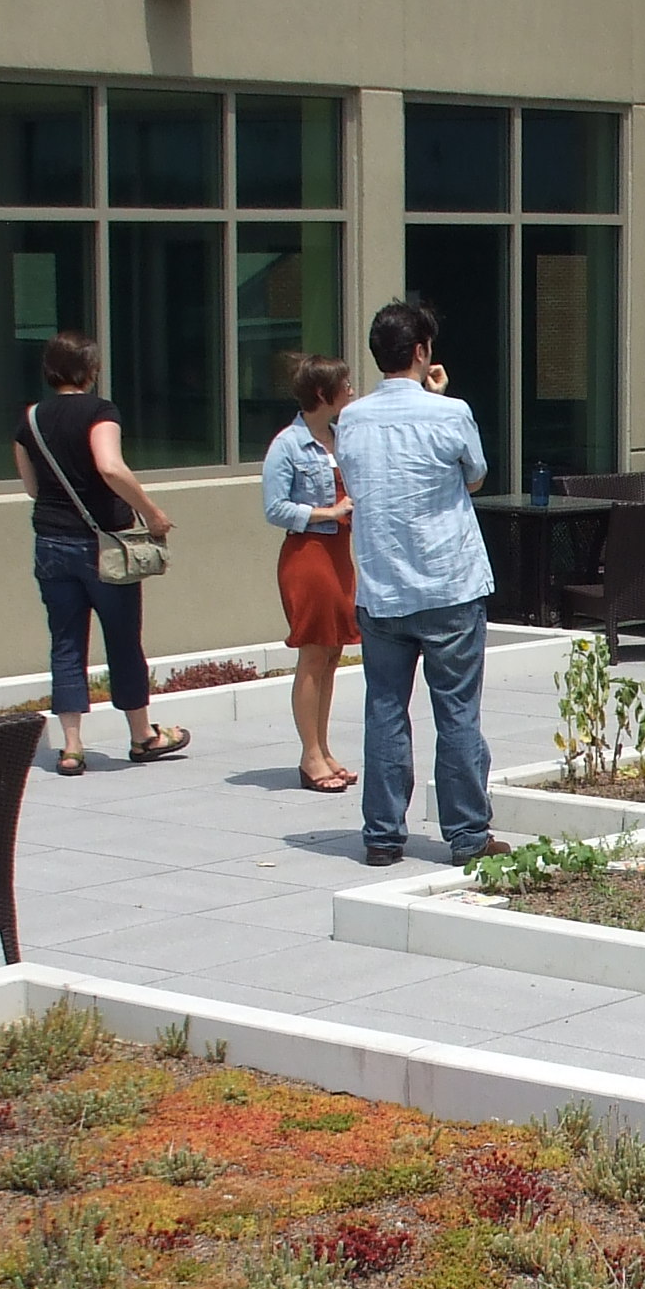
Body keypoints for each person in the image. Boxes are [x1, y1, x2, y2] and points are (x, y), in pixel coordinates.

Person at [332, 299, 510, 869]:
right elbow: (476, 476)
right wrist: (437, 396)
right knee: (456, 712)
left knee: (385, 709)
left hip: (381, 586)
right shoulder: (449, 411)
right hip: (448, 583)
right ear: (421, 352)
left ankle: (382, 834)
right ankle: (466, 836)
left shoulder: (352, 419)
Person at [11, 332, 189, 776]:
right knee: (123, 640)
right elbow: (110, 466)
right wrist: (151, 512)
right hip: (103, 545)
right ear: (90, 370)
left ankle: (71, 747)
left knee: (66, 643)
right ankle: (142, 735)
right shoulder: (100, 411)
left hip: (51, 543)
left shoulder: (30, 418)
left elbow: (32, 487)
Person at [262, 353, 359, 792]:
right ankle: (309, 754)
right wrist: (328, 511)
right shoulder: (287, 444)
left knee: (334, 653)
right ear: (323, 394)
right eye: (345, 384)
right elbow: (275, 507)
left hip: (340, 553)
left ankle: (323, 746)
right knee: (313, 653)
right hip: (308, 555)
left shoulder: (343, 438)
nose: (352, 390)